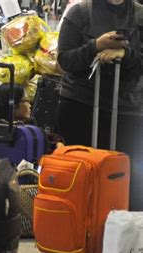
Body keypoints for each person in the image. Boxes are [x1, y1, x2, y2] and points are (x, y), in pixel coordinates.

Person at [57, 0, 143, 210]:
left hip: (127, 110)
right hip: (80, 106)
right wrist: (96, 46)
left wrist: (125, 54)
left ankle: (123, 236)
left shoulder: (140, 16)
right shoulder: (79, 13)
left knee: (129, 185)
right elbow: (64, 61)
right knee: (79, 179)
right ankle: (76, 233)